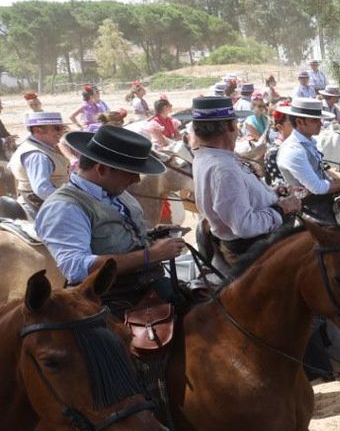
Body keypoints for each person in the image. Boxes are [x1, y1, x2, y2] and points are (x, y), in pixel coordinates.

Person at [35, 125, 186, 313]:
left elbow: (111, 237)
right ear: (102, 169)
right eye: (130, 172)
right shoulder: (64, 207)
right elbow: (75, 267)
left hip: (149, 287)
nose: (136, 179)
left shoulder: (117, 192)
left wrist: (150, 236)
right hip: (107, 303)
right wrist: (151, 255)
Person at [189, 96, 302, 263]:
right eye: (236, 124)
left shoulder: (210, 157)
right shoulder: (223, 169)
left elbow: (239, 199)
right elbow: (244, 225)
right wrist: (281, 209)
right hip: (255, 250)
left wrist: (271, 194)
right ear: (230, 126)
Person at [275, 96, 340, 219]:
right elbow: (317, 187)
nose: (320, 124)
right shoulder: (292, 150)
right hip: (311, 210)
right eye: (315, 120)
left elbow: (321, 164)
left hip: (324, 201)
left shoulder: (309, 142)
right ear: (299, 122)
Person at [8, 110, 71, 216]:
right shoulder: (37, 156)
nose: (61, 132)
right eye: (57, 128)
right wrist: (73, 199)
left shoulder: (39, 148)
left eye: (62, 127)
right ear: (38, 131)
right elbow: (42, 189)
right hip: (43, 205)